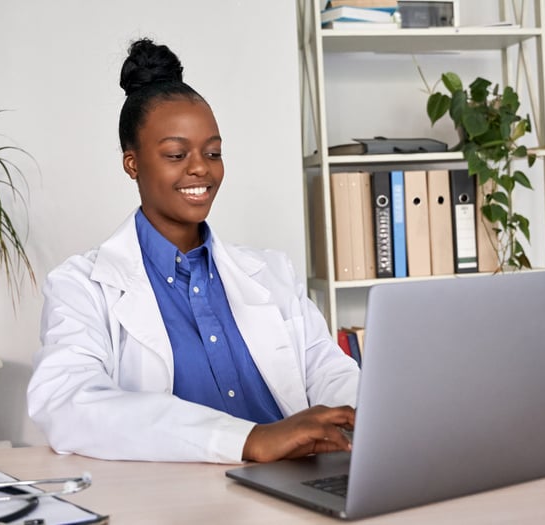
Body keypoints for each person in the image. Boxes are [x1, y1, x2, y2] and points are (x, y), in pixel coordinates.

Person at [27, 38, 360, 464]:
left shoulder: (272, 272)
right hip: (177, 498)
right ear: (132, 163)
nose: (200, 167)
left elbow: (331, 374)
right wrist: (250, 439)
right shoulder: (81, 286)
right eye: (176, 154)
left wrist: (367, 418)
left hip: (297, 484)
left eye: (213, 152)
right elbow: (68, 402)